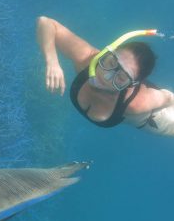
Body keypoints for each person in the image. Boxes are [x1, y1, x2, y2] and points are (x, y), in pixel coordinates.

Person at [36, 16, 174, 136]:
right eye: (111, 62)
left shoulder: (137, 103)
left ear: (130, 85)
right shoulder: (88, 60)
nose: (106, 76)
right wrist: (52, 62)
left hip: (151, 117)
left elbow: (168, 98)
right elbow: (46, 23)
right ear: (107, 54)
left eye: (120, 77)